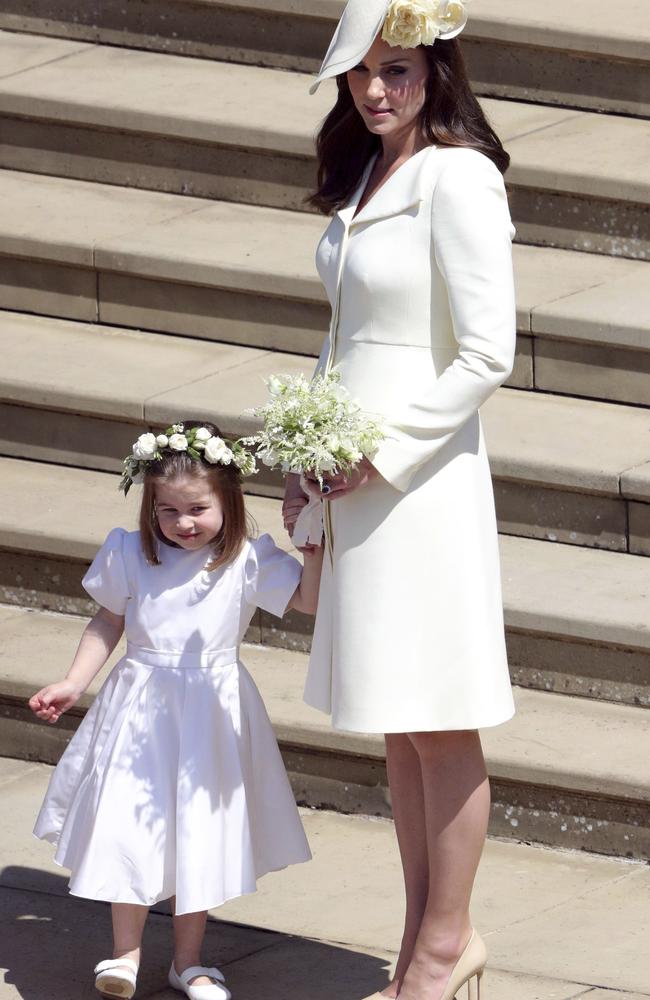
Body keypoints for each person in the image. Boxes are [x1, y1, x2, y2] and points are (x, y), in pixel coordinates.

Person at [283, 2, 517, 998]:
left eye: (398, 71)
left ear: (436, 74)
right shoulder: (370, 173)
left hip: (416, 484)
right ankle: (422, 934)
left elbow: (484, 352)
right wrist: (305, 439)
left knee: (441, 712)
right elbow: (348, 335)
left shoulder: (456, 178)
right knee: (398, 717)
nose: (374, 90)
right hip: (350, 479)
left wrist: (379, 449)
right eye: (361, 72)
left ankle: (442, 944)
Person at [30, 422, 322, 1000]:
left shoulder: (245, 560)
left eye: (197, 508)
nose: (183, 523)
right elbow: (109, 620)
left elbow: (308, 601)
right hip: (140, 704)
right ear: (150, 507)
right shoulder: (131, 554)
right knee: (129, 823)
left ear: (228, 501)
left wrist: (312, 539)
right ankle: (125, 955)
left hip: (212, 710)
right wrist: (73, 680)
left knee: (199, 829)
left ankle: (188, 962)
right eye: (168, 510)